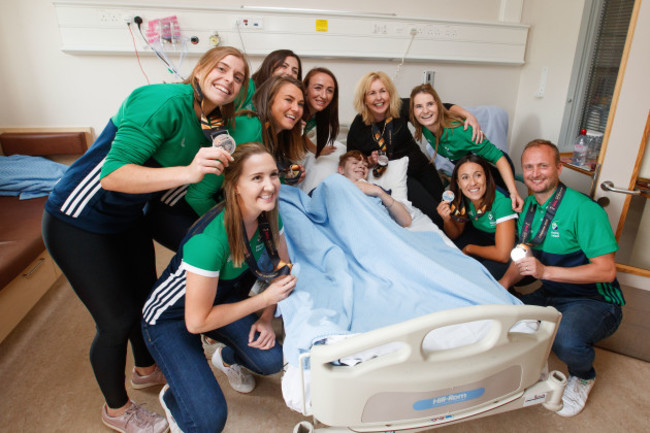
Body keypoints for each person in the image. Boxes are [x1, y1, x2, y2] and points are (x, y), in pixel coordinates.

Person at [42, 46, 248, 433]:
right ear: (200, 70)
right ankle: (117, 411)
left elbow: (259, 98)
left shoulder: (213, 118)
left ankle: (145, 369)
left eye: (238, 77)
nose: (229, 79)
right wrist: (188, 172)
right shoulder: (163, 101)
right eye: (221, 68)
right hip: (78, 219)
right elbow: (113, 176)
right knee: (116, 320)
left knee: (145, 299)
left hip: (127, 219)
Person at [142, 142, 295, 433]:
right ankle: (178, 396)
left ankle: (225, 359)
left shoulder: (270, 216)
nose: (270, 185)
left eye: (273, 174)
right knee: (209, 421)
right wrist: (262, 300)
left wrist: (265, 318)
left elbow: (279, 270)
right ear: (235, 185)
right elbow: (196, 320)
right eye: (257, 178)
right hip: (170, 319)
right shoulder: (210, 241)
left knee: (272, 359)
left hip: (222, 300)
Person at [499, 139, 624, 417]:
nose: (535, 173)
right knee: (509, 316)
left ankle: (583, 375)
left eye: (543, 166)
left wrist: (545, 273)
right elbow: (524, 251)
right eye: (529, 167)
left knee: (564, 340)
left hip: (595, 299)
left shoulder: (585, 209)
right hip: (553, 291)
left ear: (559, 167)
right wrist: (503, 286)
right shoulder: (530, 204)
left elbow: (607, 270)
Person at [347, 71, 481, 227]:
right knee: (436, 214)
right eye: (372, 93)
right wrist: (369, 161)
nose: (379, 98)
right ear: (364, 98)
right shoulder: (358, 127)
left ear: (389, 93)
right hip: (402, 176)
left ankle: (468, 234)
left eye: (383, 91)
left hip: (422, 166)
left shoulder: (399, 108)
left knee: (449, 206)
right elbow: (352, 161)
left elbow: (442, 107)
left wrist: (468, 115)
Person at [186, 75, 307, 216]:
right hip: (186, 206)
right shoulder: (249, 129)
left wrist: (285, 177)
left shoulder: (273, 136)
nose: (296, 109)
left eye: (300, 104)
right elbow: (197, 196)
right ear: (269, 100)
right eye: (288, 100)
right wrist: (234, 229)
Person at [410, 83, 524, 212]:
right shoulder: (423, 125)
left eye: (430, 104)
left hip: (494, 167)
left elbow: (498, 157)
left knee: (504, 208)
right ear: (413, 111)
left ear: (438, 105)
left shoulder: (460, 131)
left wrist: (513, 192)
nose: (425, 111)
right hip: (469, 168)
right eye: (419, 106)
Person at [437, 154, 517, 279]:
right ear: (458, 183)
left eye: (478, 175)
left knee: (479, 276)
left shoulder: (502, 202)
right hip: (482, 237)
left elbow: (503, 254)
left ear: (486, 177)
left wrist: (469, 249)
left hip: (509, 248)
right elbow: (455, 233)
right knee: (449, 252)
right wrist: (447, 219)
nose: (472, 183)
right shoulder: (462, 196)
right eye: (465, 178)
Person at [337, 150, 412, 227]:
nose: (362, 166)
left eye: (365, 165)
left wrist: (379, 192)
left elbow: (406, 221)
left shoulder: (377, 189)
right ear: (341, 170)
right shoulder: (334, 184)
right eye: (355, 163)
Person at [235, 49, 302, 111]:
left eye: (295, 71)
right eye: (284, 66)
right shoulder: (248, 86)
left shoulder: (286, 103)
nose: (289, 73)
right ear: (269, 67)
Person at [302, 67, 340, 157]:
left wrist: (316, 149)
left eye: (329, 90)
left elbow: (300, 135)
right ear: (305, 89)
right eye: (318, 88)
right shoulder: (295, 110)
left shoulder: (318, 115)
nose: (324, 96)